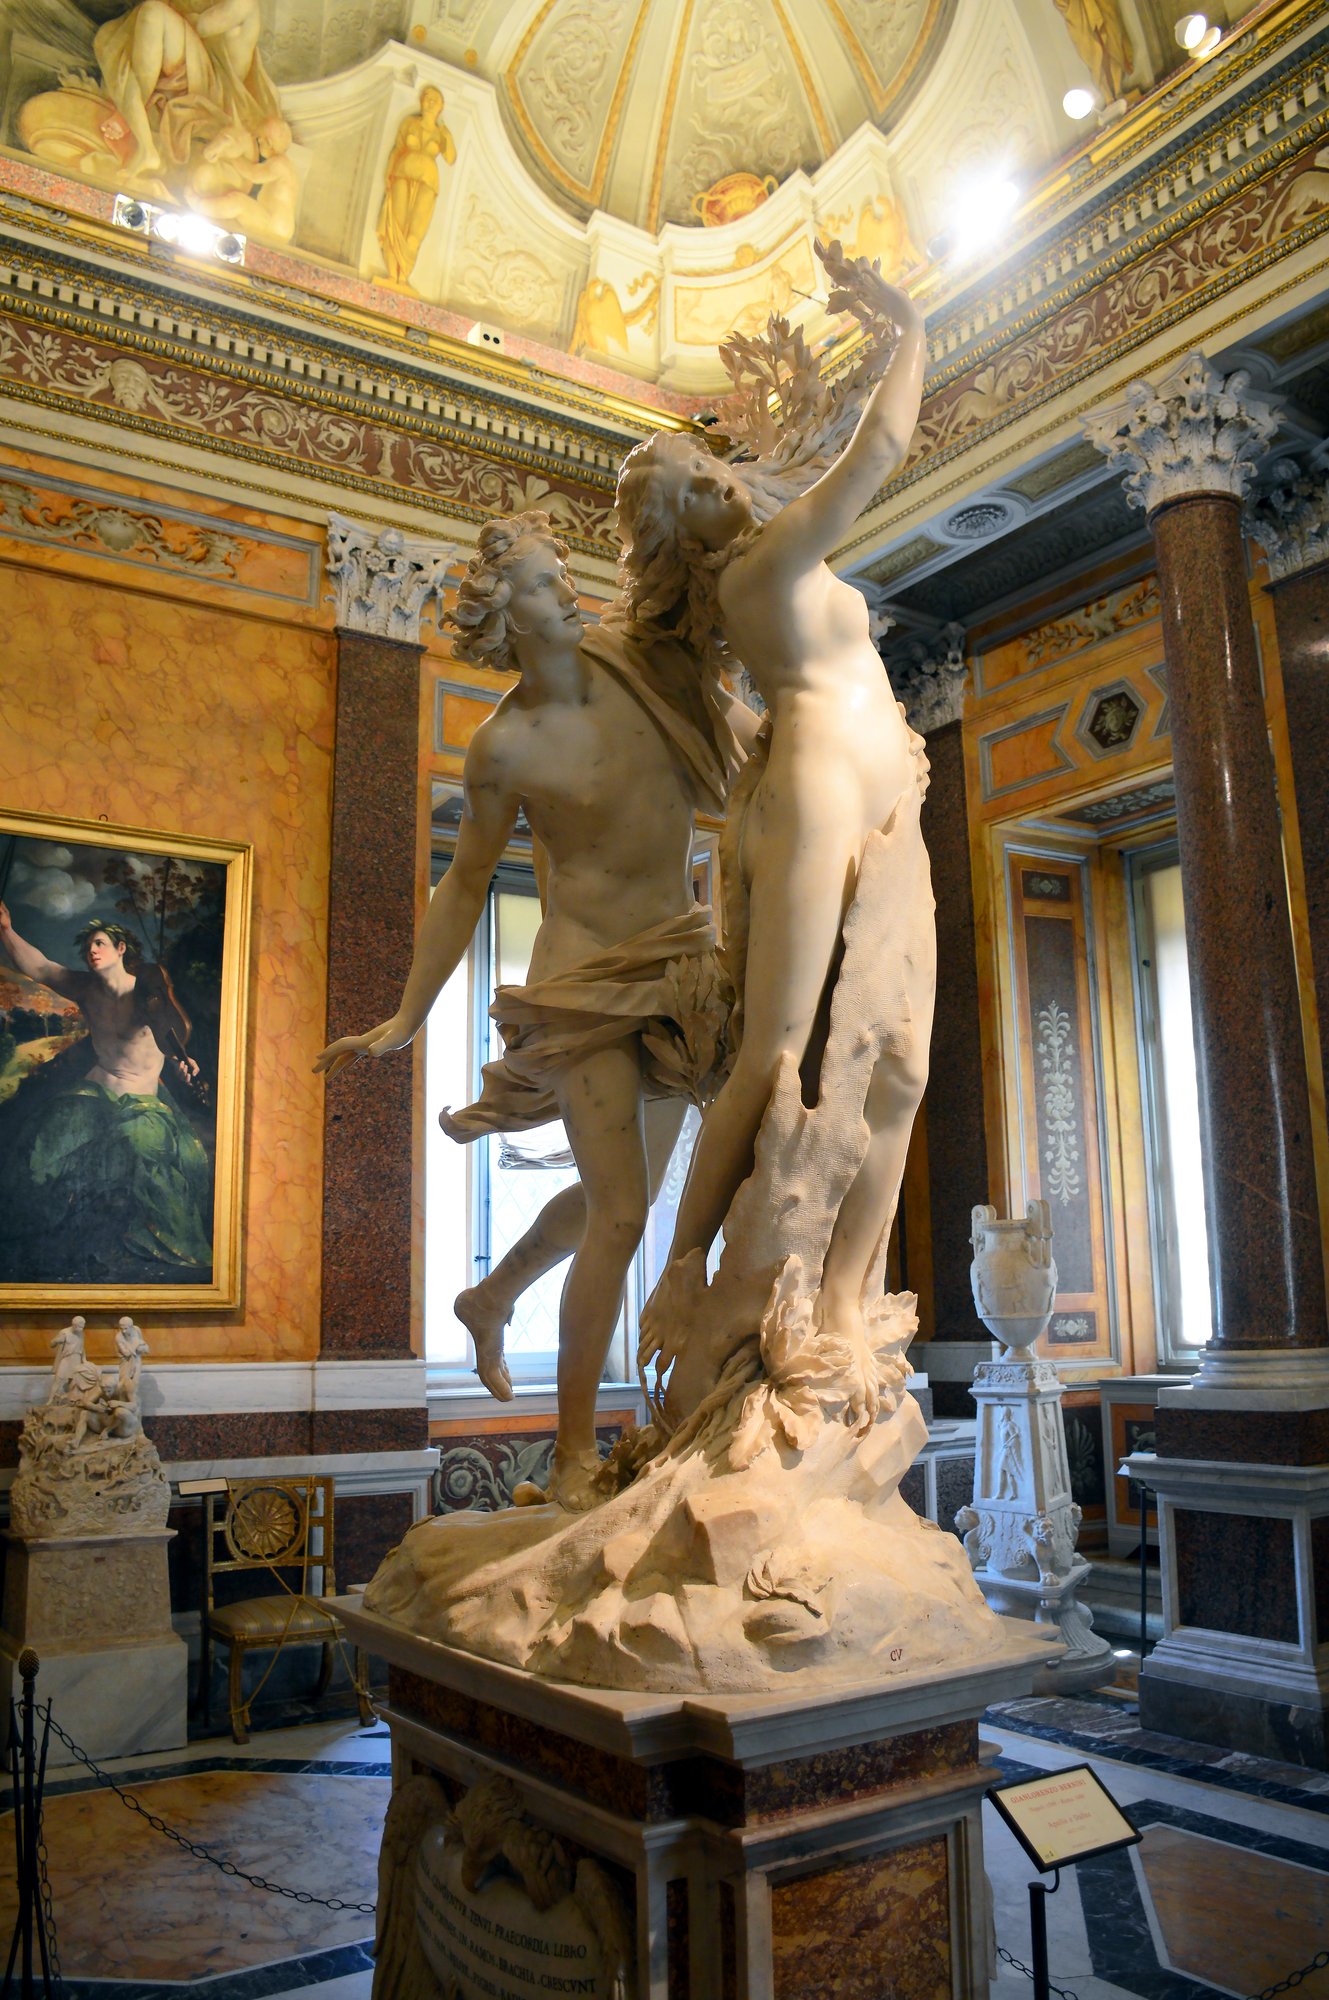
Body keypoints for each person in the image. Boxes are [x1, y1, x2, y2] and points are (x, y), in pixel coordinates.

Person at [316, 513, 750, 1510]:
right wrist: (407, 1015)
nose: (569, 592)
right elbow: (466, 885)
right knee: (628, 1211)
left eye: (564, 576)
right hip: (583, 982)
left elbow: (744, 742)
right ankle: (568, 1457)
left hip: (681, 972)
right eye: (546, 584)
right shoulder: (503, 744)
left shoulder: (641, 664)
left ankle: (492, 1292)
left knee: (618, 1194)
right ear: (505, 618)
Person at [621, 251, 932, 1396]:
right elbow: (881, 453)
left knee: (898, 1069)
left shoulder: (760, 579)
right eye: (701, 479)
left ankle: (845, 1301)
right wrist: (909, 329)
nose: (726, 477)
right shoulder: (760, 565)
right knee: (781, 1053)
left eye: (711, 461)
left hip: (885, 795)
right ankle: (683, 1262)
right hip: (816, 790)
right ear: (694, 532)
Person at [0, 908, 212, 1282]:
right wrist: (5, 929)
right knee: (45, 1138)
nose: (91, 952)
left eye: (99, 944)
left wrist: (183, 1061)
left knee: (142, 1147)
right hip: (94, 1090)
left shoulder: (147, 993)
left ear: (119, 948)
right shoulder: (86, 989)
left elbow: (171, 1036)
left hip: (141, 1100)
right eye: (87, 947)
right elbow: (40, 966)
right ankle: (40, 1228)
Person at [376, 86, 456, 293]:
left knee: (414, 234)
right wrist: (387, 174)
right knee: (397, 224)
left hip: (428, 180)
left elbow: (451, 158)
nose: (430, 102)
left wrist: (447, 137)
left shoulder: (440, 133)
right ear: (421, 101)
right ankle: (393, 275)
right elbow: (397, 148)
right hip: (402, 173)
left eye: (435, 100)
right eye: (428, 98)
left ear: (441, 107)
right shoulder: (409, 123)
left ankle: (404, 278)